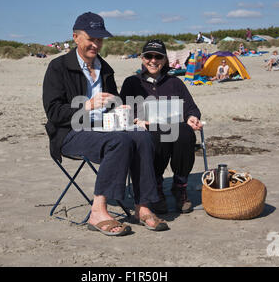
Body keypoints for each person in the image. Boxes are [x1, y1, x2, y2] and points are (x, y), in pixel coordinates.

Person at [43, 12, 169, 236]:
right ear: (76, 37)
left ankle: (142, 205)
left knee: (141, 134)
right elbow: (53, 112)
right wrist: (87, 106)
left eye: (99, 39)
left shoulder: (105, 68)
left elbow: (113, 102)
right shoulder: (58, 67)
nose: (96, 44)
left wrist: (122, 110)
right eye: (91, 38)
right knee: (119, 140)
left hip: (105, 127)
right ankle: (98, 212)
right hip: (70, 133)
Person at [120, 39, 203, 214]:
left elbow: (191, 107)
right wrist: (136, 120)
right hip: (146, 130)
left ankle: (180, 185)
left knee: (186, 133)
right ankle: (156, 186)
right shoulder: (131, 82)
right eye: (148, 56)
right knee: (156, 134)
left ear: (164, 60)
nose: (153, 60)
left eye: (158, 57)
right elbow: (122, 110)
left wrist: (193, 117)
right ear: (142, 59)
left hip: (173, 127)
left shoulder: (175, 83)